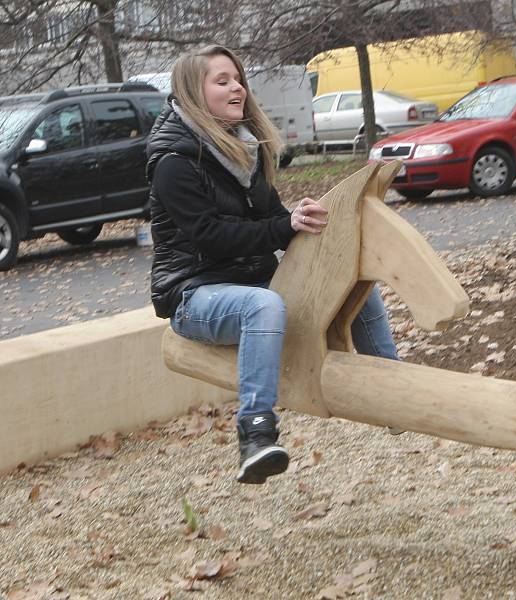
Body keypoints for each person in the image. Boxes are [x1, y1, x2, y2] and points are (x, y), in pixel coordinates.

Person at [146, 45, 399, 485]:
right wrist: (283, 228)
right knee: (261, 306)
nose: (237, 87)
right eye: (221, 80)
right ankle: (255, 434)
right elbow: (211, 236)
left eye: (237, 78)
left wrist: (295, 218)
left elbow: (269, 220)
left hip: (253, 284)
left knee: (354, 285)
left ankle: (396, 390)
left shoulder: (242, 150)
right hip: (193, 294)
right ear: (192, 92)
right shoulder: (174, 162)